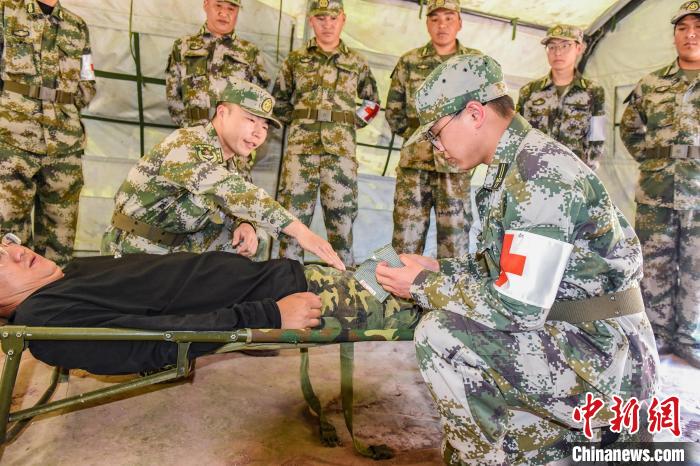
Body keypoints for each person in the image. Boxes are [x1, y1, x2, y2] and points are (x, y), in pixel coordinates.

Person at [376, 54, 659, 464]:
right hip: (569, 332)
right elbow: (505, 270)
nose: (437, 148)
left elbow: (517, 308)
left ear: (475, 114)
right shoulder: (514, 164)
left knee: (441, 333)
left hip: (603, 358)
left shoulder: (539, 173)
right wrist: (438, 268)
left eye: (437, 134)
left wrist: (421, 285)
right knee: (484, 436)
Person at [0, 233, 420, 375]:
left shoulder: (65, 276)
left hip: (286, 277)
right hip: (297, 297)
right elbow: (150, 341)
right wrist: (270, 316)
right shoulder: (42, 317)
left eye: (7, 243)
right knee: (426, 300)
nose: (17, 250)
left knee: (404, 266)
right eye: (1, 259)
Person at [101, 78, 344, 272]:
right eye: (250, 120)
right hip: (136, 248)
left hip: (180, 244)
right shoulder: (188, 144)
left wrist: (245, 224)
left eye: (264, 126)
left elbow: (238, 206)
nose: (258, 133)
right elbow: (235, 192)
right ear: (222, 112)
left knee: (250, 239)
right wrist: (301, 232)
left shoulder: (232, 158)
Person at [620, 1, 700, 368]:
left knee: (697, 269)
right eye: (682, 28)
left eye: (697, 27)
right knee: (653, 267)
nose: (690, 35)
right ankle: (657, 335)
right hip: (657, 194)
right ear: (674, 35)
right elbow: (630, 128)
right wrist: (655, 162)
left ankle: (691, 339)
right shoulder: (652, 83)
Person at [271, 0, 380, 267]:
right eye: (321, 19)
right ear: (312, 21)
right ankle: (287, 281)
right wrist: (299, 122)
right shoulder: (296, 59)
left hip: (340, 155)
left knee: (341, 222)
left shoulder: (356, 61)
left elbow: (372, 102)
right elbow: (278, 100)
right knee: (292, 221)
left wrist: (349, 124)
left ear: (343, 19)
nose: (327, 25)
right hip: (300, 153)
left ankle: (343, 282)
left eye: (333, 18)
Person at [0, 0, 96, 267]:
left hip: (65, 142)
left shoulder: (77, 25)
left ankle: (54, 288)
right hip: (13, 138)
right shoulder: (6, 10)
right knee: (9, 230)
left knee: (61, 233)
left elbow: (88, 81)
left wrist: (65, 107)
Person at [385, 0, 479, 259]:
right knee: (405, 241)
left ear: (460, 23)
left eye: (449, 18)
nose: (442, 25)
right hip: (414, 166)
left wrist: (458, 142)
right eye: (435, 19)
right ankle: (399, 287)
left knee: (455, 243)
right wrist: (421, 139)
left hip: (455, 165)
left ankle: (447, 288)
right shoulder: (409, 62)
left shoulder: (474, 63)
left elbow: (486, 112)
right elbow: (394, 113)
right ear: (427, 23)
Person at [165, 0, 269, 130]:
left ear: (237, 12)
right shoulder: (183, 46)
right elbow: (173, 94)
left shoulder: (250, 52)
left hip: (231, 134)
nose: (224, 13)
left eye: (231, 8)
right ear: (206, 4)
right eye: (218, 5)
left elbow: (257, 103)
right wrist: (188, 129)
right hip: (191, 131)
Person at [517, 24, 606, 171]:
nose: (557, 52)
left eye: (565, 46)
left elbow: (597, 137)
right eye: (551, 47)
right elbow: (517, 133)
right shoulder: (529, 91)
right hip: (535, 172)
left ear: (579, 48)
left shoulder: (593, 92)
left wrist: (587, 171)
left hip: (574, 173)